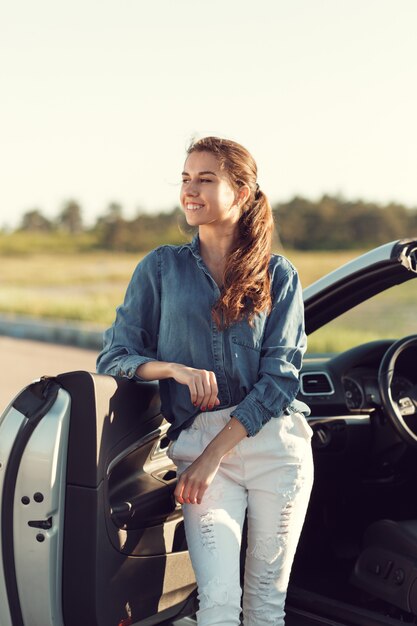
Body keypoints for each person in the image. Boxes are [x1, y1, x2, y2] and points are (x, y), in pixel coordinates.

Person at [96, 136, 314, 626]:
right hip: (197, 445)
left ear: (241, 191)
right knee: (216, 601)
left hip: (275, 450)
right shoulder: (160, 268)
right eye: (186, 178)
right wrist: (173, 369)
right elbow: (114, 357)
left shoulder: (279, 276)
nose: (190, 190)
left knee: (265, 606)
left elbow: (280, 381)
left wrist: (215, 454)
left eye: (206, 179)